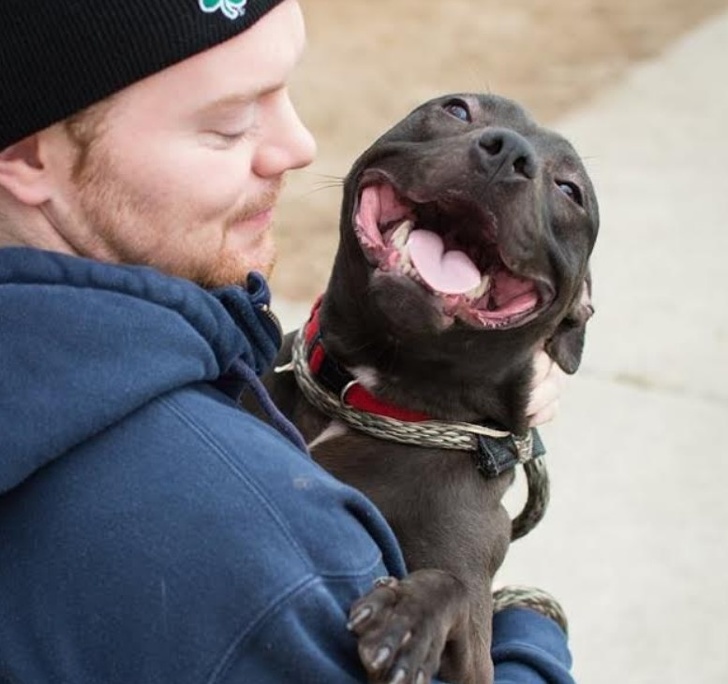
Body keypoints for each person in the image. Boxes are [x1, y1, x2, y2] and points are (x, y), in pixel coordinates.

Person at [0, 1, 573, 682]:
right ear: (29, 154)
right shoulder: (276, 558)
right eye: (228, 123)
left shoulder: (160, 357)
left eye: (284, 92)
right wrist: (532, 634)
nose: (300, 146)